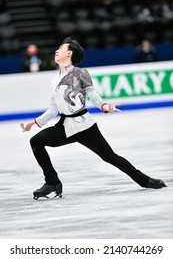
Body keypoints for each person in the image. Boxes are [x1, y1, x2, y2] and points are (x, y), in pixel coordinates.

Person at [20, 36, 166, 199]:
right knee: (36, 141)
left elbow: (93, 95)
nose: (56, 51)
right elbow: (53, 110)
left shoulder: (80, 73)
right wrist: (33, 123)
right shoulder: (54, 80)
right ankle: (52, 182)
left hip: (85, 126)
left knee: (110, 157)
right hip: (65, 126)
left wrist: (105, 106)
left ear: (69, 53)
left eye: (60, 49)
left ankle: (145, 180)